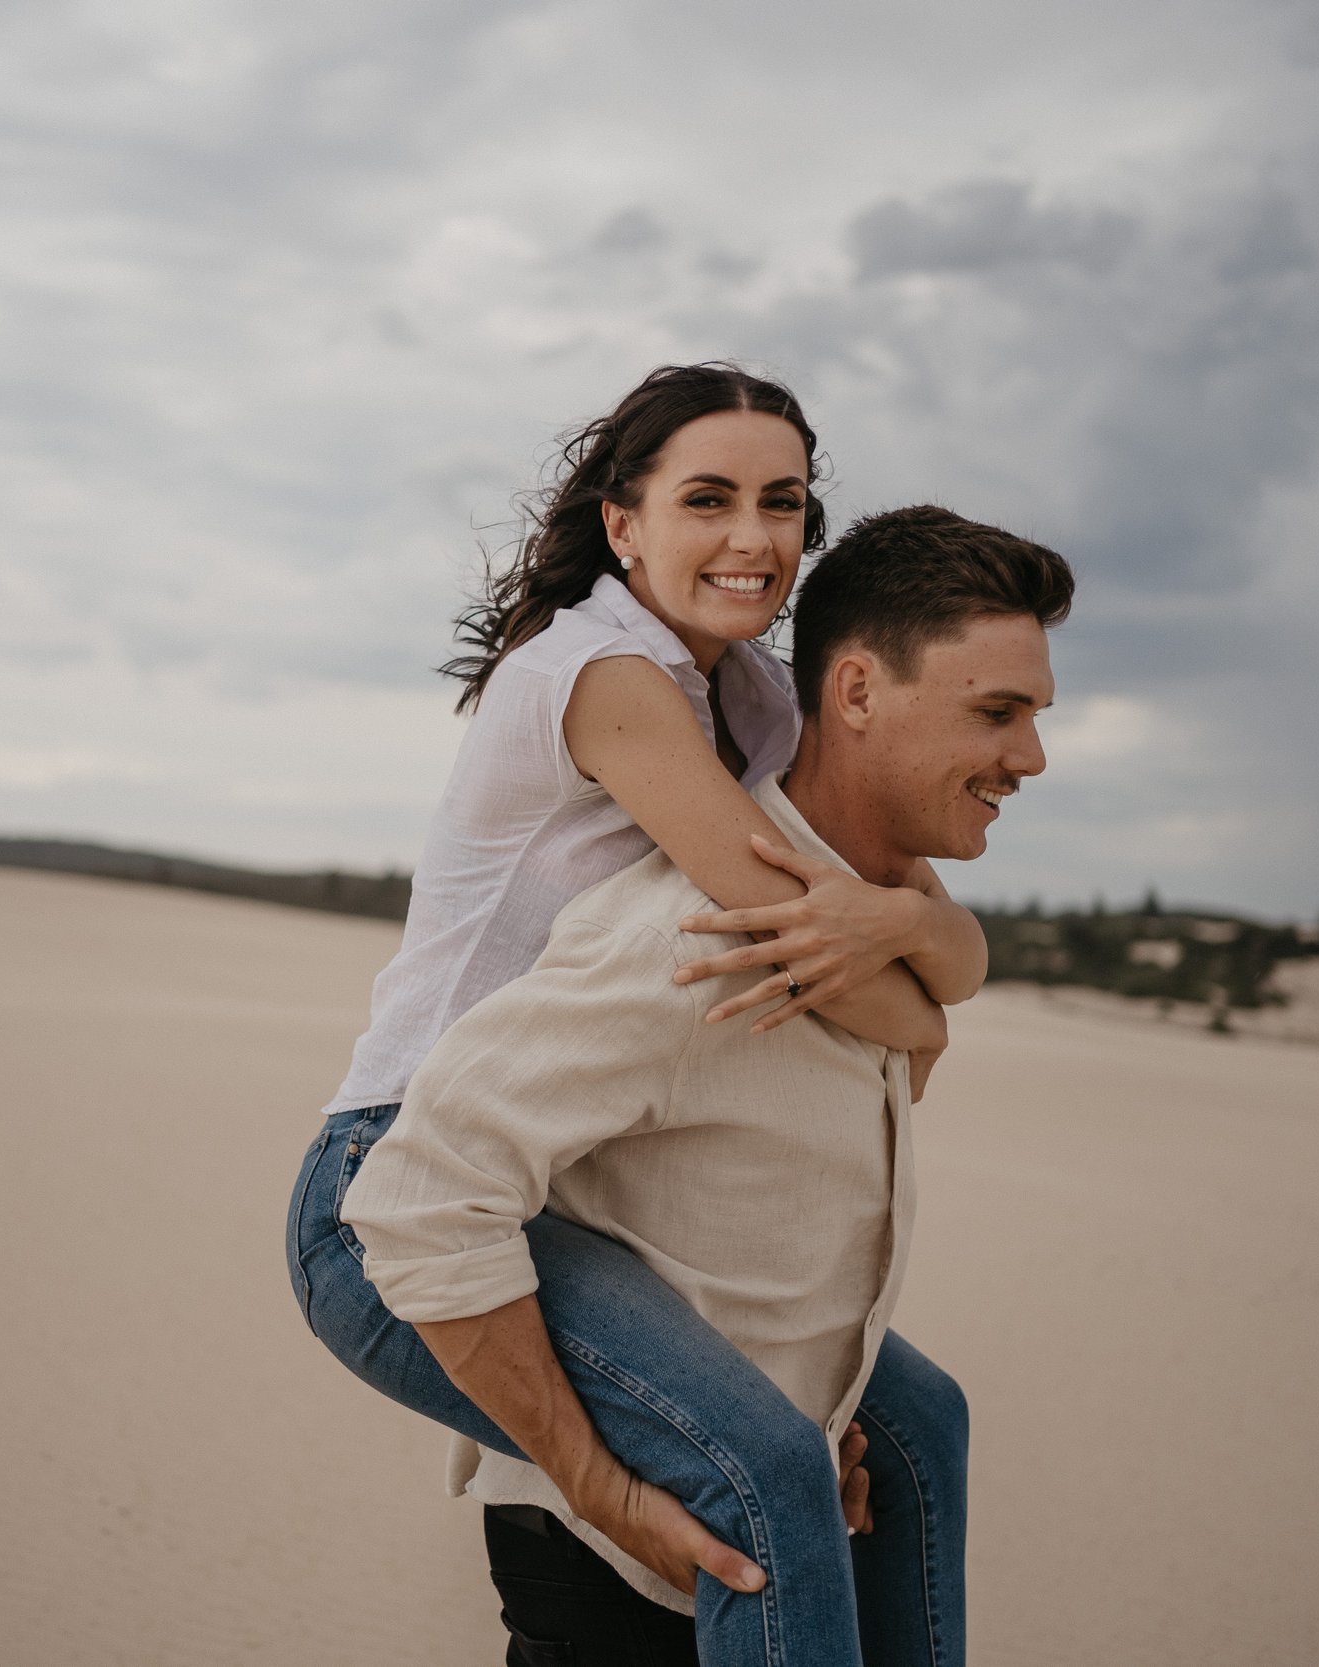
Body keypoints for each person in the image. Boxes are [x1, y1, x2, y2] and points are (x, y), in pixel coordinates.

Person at [286, 366, 987, 1647]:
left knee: (914, 1419)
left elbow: (905, 911)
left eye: (783, 502)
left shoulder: (751, 694)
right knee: (770, 1465)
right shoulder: (606, 673)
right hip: (397, 1177)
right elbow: (780, 920)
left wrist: (927, 952)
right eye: (706, 497)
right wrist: (924, 999)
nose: (751, 535)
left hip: (565, 1172)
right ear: (624, 524)